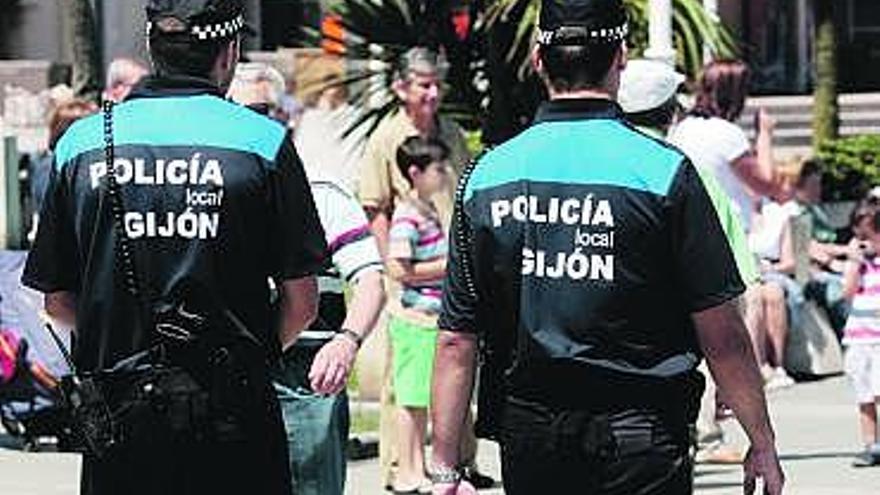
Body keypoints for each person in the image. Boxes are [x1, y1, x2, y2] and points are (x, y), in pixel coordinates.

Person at [429, 0, 784, 493]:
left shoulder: (486, 177)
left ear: (537, 60)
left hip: (533, 437)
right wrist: (761, 439)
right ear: (620, 57)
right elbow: (721, 332)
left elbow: (455, 338)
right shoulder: (664, 173)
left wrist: (445, 467)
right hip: (644, 434)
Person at [22, 1, 326, 494]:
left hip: (121, 422)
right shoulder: (262, 142)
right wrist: (249, 355)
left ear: (150, 46)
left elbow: (56, 301)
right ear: (228, 53)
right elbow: (302, 303)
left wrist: (120, 340)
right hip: (234, 420)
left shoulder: (80, 144)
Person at [228, 61, 386, 495]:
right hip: (232, 371)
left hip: (308, 373)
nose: (251, 122)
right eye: (237, 109)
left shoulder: (322, 191)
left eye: (263, 111)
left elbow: (371, 279)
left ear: (286, 117)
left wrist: (347, 341)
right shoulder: (210, 190)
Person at [357, 46, 492, 490]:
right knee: (406, 379)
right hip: (411, 271)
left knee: (459, 362)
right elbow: (375, 206)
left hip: (452, 269)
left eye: (437, 85)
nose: (432, 94)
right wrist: (393, 268)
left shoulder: (450, 132)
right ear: (401, 88)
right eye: (423, 85)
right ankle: (402, 469)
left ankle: (461, 462)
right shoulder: (386, 139)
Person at [619, 58, 759, 463]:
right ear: (671, 112)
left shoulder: (588, 165)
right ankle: (707, 435)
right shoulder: (684, 170)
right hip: (674, 359)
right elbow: (732, 285)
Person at [385, 136, 451, 493]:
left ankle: (418, 466)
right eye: (437, 168)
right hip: (415, 318)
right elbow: (398, 268)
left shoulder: (426, 209)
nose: (443, 174)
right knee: (410, 400)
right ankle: (407, 469)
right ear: (415, 172)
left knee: (421, 399)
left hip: (431, 317)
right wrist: (447, 265)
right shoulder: (408, 214)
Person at [669, 59, 777, 233]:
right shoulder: (728, 135)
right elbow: (766, 185)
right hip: (725, 233)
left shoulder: (682, 129)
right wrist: (765, 134)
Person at [841, 208, 880, 467]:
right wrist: (855, 261)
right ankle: (871, 445)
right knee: (863, 395)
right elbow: (847, 292)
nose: (865, 241)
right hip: (858, 338)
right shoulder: (857, 264)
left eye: (870, 235)